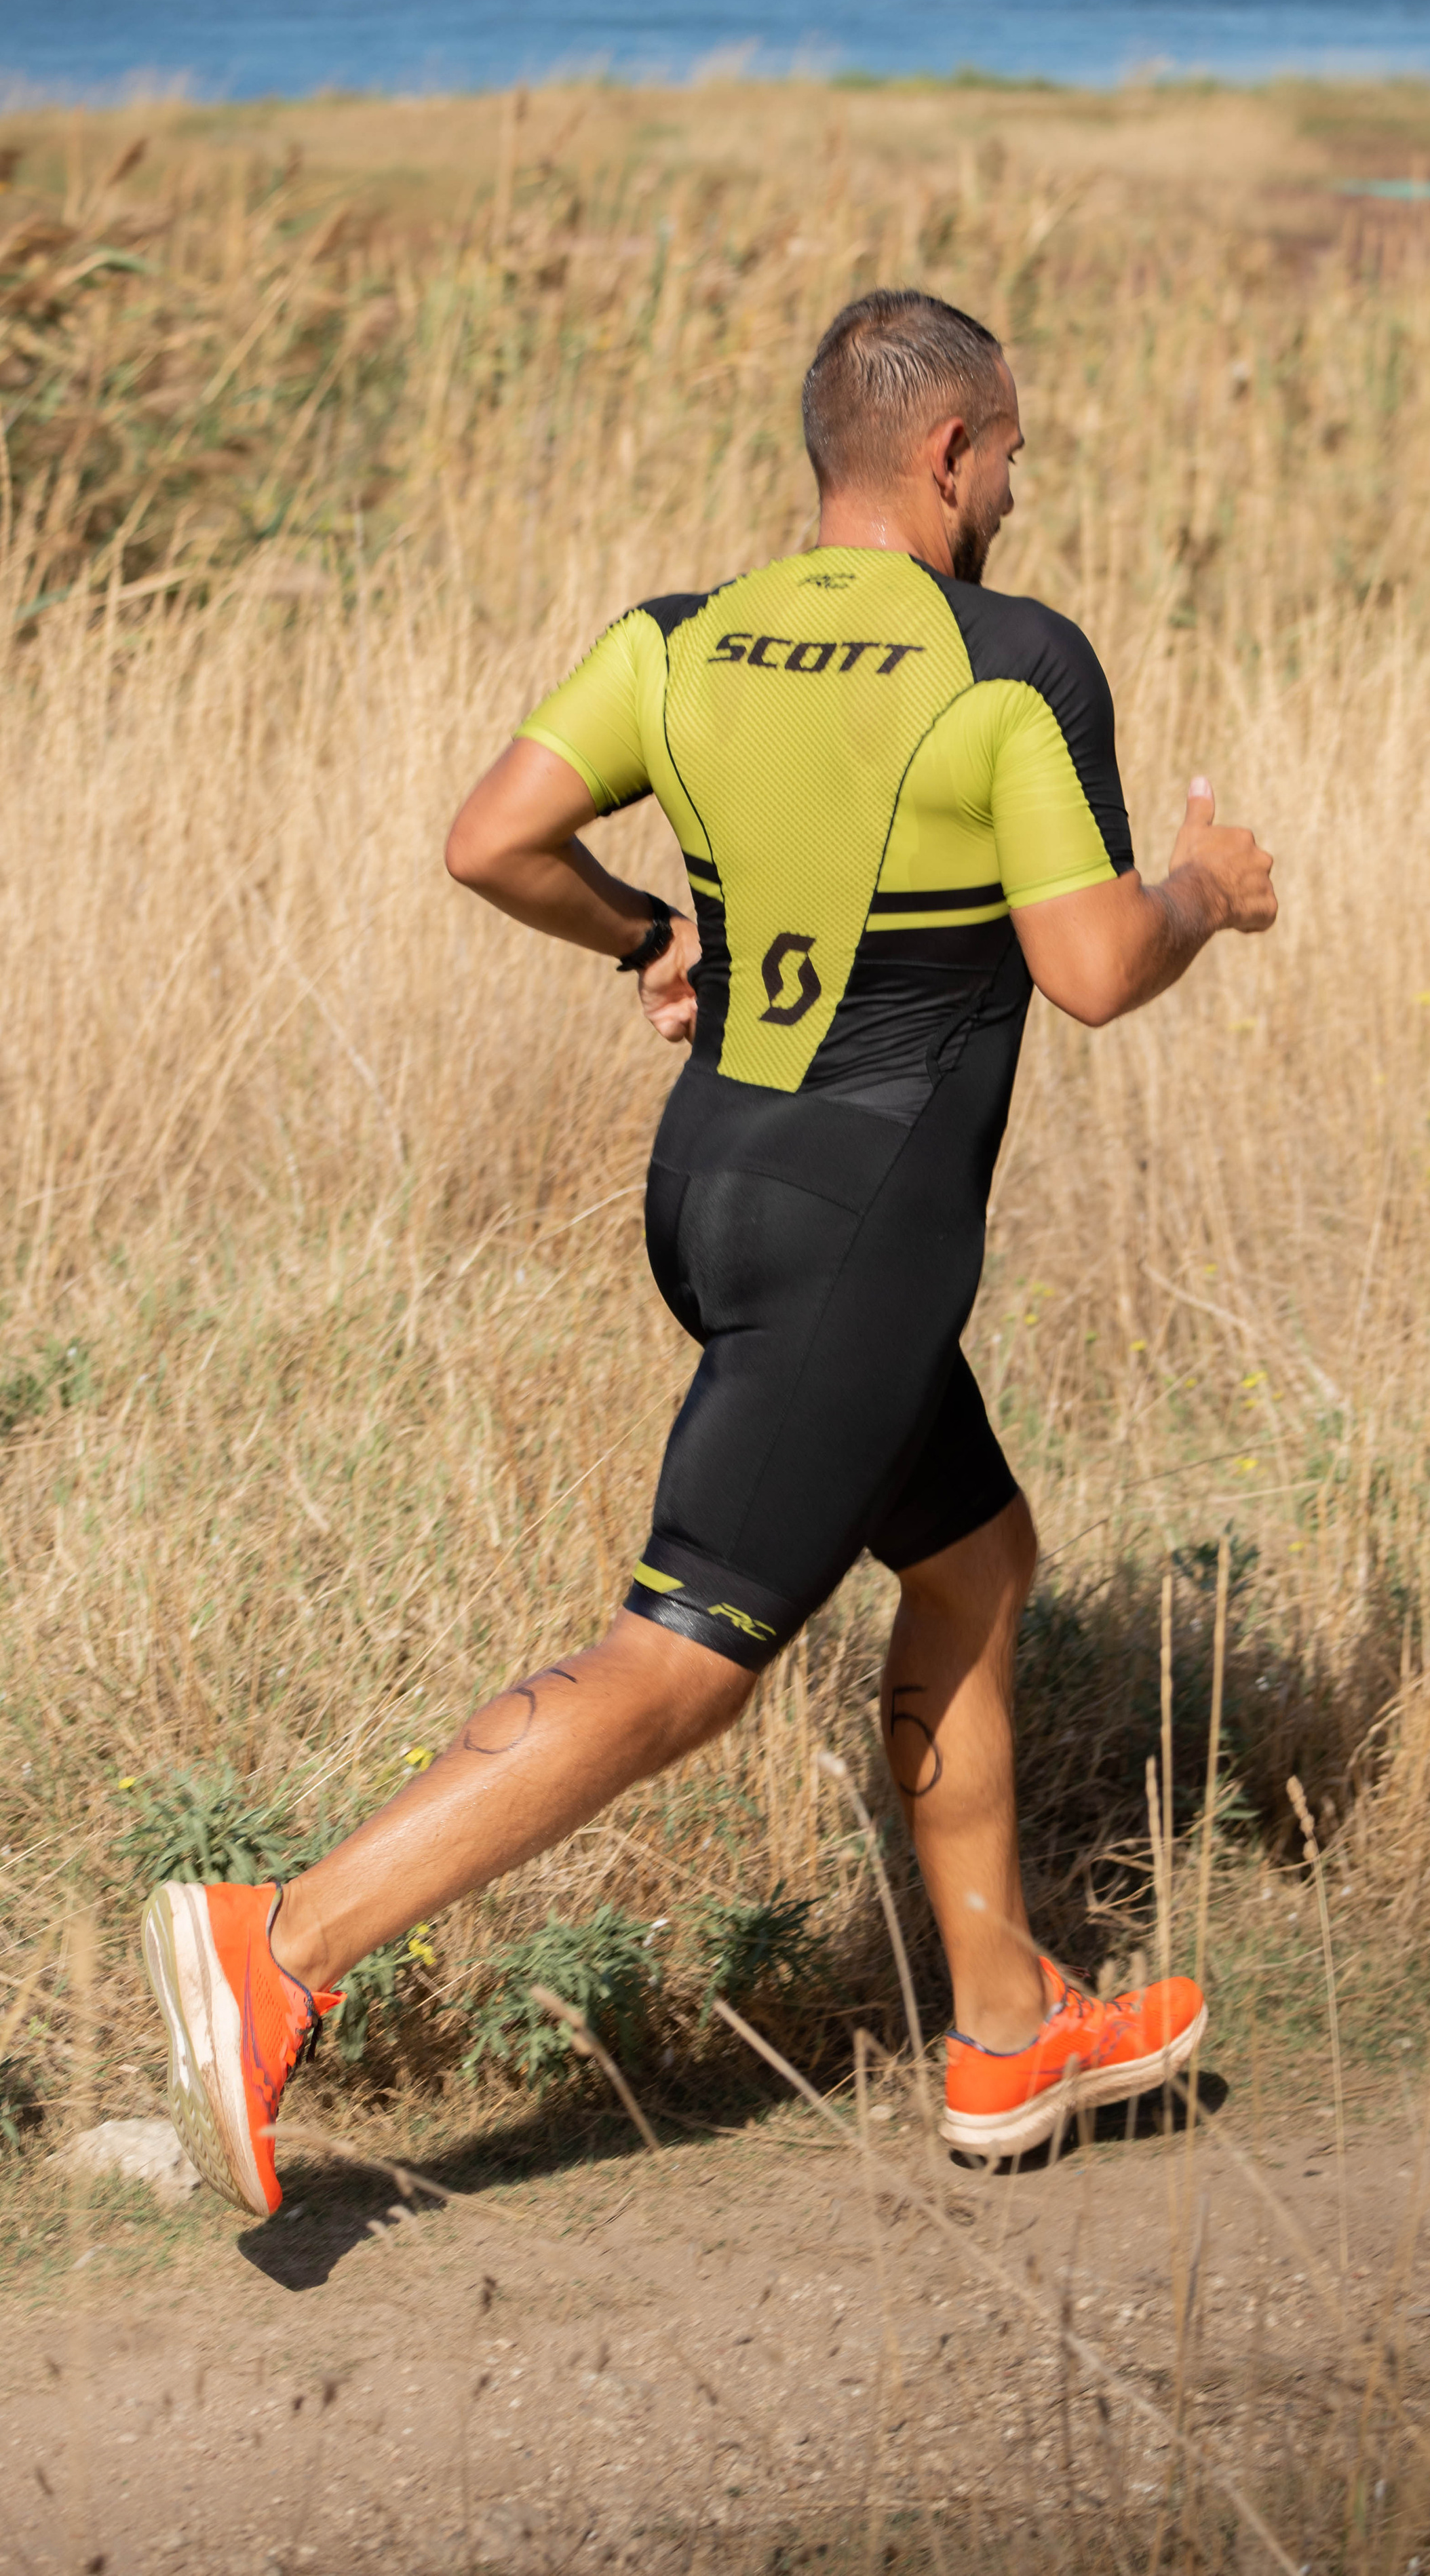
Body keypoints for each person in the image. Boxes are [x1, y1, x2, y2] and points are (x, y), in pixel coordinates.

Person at [142, 290, 1277, 2216]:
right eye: (1012, 453)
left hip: (709, 1189)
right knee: (682, 1665)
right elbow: (1092, 969)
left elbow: (492, 838)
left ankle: (1009, 2025)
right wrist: (1201, 891)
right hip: (859, 1236)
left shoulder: (676, 638)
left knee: (977, 1557)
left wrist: (642, 935)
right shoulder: (1015, 662)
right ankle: (283, 1944)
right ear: (949, 453)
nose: (1017, 488)